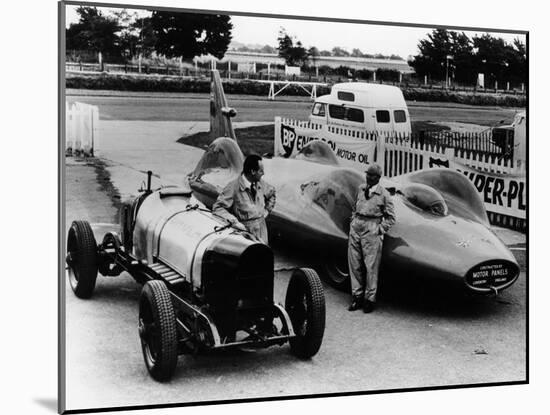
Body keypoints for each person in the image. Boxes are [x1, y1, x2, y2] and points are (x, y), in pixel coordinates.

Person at [348, 163, 396, 313]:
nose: (369, 177)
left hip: (372, 228)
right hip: (357, 227)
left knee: (371, 266)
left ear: (379, 178)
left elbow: (391, 218)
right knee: (354, 263)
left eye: (372, 175)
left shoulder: (384, 195)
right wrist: (353, 222)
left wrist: (380, 229)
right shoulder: (361, 189)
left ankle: (370, 299)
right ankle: (356, 297)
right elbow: (355, 208)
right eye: (367, 174)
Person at [212, 154, 276, 244]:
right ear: (253, 171)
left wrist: (266, 211)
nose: (263, 174)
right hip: (245, 235)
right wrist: (235, 222)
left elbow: (272, 194)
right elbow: (218, 208)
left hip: (262, 233)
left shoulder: (260, 184)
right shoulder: (233, 187)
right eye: (261, 171)